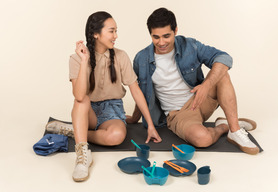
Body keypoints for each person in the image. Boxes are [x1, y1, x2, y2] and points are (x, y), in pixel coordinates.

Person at [45, 11, 162, 182]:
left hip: (112, 110)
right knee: (82, 99)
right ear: (95, 34)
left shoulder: (121, 56)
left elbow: (136, 90)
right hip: (88, 110)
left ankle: (75, 131)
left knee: (117, 137)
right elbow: (78, 95)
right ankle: (82, 155)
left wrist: (150, 125)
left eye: (116, 31)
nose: (116, 36)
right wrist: (84, 61)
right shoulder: (76, 59)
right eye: (111, 31)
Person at [126, 7, 259, 155]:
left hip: (200, 99)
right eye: (156, 37)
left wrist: (205, 86)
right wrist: (134, 119)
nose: (161, 42)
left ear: (175, 31)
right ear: (150, 34)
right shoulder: (141, 59)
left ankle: (235, 130)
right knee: (203, 139)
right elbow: (140, 92)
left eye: (166, 36)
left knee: (222, 73)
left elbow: (224, 58)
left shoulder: (190, 45)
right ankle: (224, 126)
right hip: (179, 114)